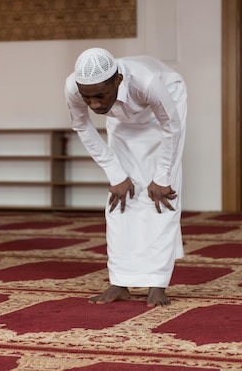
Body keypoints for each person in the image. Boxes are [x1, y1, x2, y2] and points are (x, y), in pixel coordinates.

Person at [64, 47, 187, 307]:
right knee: (121, 197)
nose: (95, 104)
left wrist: (162, 176)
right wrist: (115, 173)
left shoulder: (147, 82)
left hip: (165, 111)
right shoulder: (74, 88)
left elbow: (171, 127)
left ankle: (157, 283)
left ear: (118, 80)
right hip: (122, 119)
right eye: (88, 98)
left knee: (161, 197)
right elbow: (82, 126)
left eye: (100, 96)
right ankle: (119, 282)